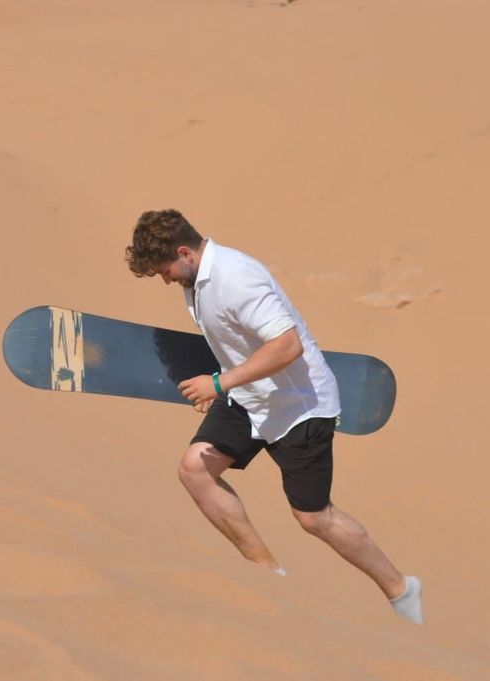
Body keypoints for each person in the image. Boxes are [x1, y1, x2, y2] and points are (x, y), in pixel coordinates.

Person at [125, 209, 423, 625]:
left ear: (184, 252)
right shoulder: (198, 280)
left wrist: (220, 383)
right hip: (249, 397)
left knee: (314, 518)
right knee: (195, 470)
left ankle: (401, 589)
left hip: (300, 407)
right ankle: (269, 577)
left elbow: (287, 346)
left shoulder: (236, 277)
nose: (166, 279)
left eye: (165, 270)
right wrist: (227, 383)